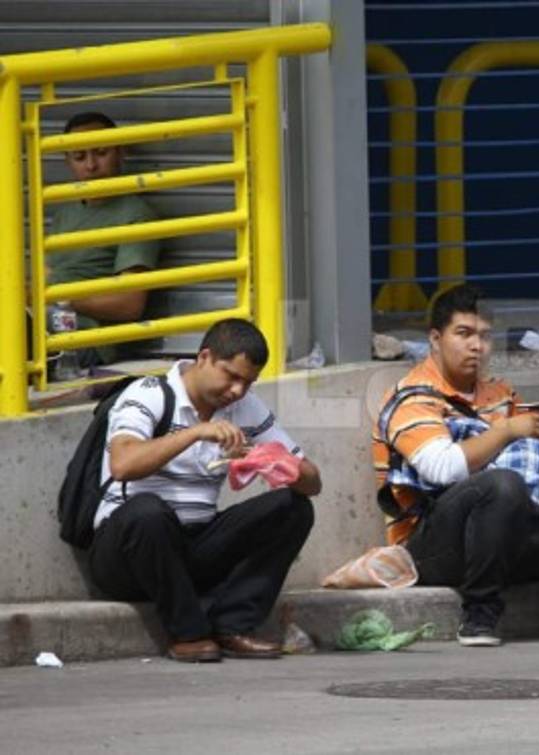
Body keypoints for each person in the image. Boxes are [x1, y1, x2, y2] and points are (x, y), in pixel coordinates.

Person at [371, 284, 539, 647]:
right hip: (437, 549)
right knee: (502, 484)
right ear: (435, 339)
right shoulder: (411, 396)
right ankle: (479, 614)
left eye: (484, 336)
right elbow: (442, 469)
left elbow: (533, 449)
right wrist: (504, 430)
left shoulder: (498, 392)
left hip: (509, 533)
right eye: (464, 334)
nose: (476, 346)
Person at [89, 319, 321, 662]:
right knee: (148, 511)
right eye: (231, 376)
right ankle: (189, 634)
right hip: (128, 555)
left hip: (191, 548)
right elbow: (123, 463)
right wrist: (195, 433)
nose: (238, 391)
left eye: (248, 382)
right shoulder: (150, 394)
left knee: (293, 507)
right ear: (205, 357)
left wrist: (272, 460)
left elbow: (313, 482)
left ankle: (233, 626)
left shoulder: (246, 408)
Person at [47, 111, 160, 367]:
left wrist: (63, 298)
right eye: (79, 156)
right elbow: (47, 274)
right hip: (47, 322)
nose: (90, 166)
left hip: (89, 339)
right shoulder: (64, 214)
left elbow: (130, 304)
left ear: (120, 153)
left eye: (100, 153)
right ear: (68, 161)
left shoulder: (135, 214)